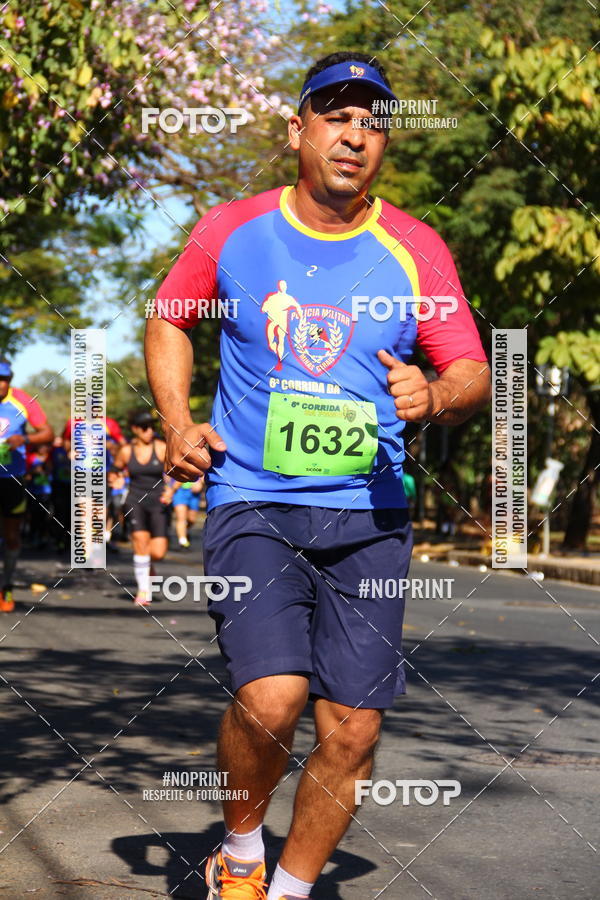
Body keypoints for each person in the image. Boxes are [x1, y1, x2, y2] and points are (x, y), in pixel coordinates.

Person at [145, 51, 491, 900]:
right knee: (271, 699)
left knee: (354, 727)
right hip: (252, 499)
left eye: (372, 123)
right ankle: (239, 848)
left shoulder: (416, 248)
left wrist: (438, 391)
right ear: (297, 129)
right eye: (337, 116)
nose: (355, 136)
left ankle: (289, 891)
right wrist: (179, 421)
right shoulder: (231, 230)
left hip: (368, 515)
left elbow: (473, 369)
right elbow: (168, 318)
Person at [0, 359, 54, 612]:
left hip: (12, 479)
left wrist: (25, 438)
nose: (1, 384)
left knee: (11, 536)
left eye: (5, 379)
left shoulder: (22, 399)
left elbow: (47, 433)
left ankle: (6, 586)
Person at [110, 410, 171, 606]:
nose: (149, 431)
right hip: (135, 500)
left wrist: (171, 490)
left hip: (158, 502)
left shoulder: (161, 447)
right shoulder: (127, 451)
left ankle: (147, 564)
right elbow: (114, 471)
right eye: (144, 428)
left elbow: (175, 473)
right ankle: (143, 591)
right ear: (135, 429)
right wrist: (116, 480)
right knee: (140, 541)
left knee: (158, 552)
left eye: (152, 427)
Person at [169, 476, 204, 548]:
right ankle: (183, 541)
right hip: (179, 490)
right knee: (181, 517)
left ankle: (183, 531)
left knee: (192, 520)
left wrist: (200, 482)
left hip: (193, 492)